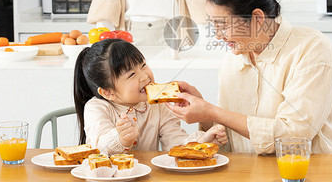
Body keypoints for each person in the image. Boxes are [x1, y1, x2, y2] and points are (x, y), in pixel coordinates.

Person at [167, 0, 332, 155]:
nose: (218, 35)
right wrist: (205, 114)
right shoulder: (232, 60)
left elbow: (295, 136)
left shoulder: (312, 49)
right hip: (257, 176)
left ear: (258, 18)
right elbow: (228, 138)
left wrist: (212, 111)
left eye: (223, 26)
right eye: (213, 25)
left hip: (321, 175)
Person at [74, 39, 227, 155]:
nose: (144, 76)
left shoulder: (157, 105)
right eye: (132, 74)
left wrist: (202, 141)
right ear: (108, 92)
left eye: (143, 65)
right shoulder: (96, 108)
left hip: (146, 181)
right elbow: (99, 147)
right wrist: (121, 139)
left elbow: (174, 142)